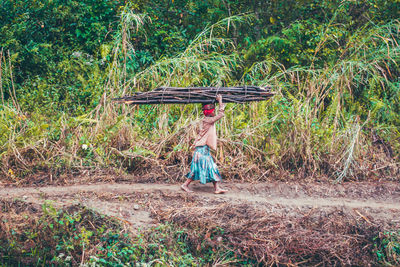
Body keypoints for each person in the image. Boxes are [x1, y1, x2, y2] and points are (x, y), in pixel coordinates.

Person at [181, 94, 228, 194]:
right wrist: (220, 101)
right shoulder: (207, 120)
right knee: (200, 169)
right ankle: (185, 185)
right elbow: (221, 115)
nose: (214, 112)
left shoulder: (207, 120)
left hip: (203, 149)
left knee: (211, 168)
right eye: (213, 111)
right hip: (201, 150)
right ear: (210, 112)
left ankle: (217, 188)